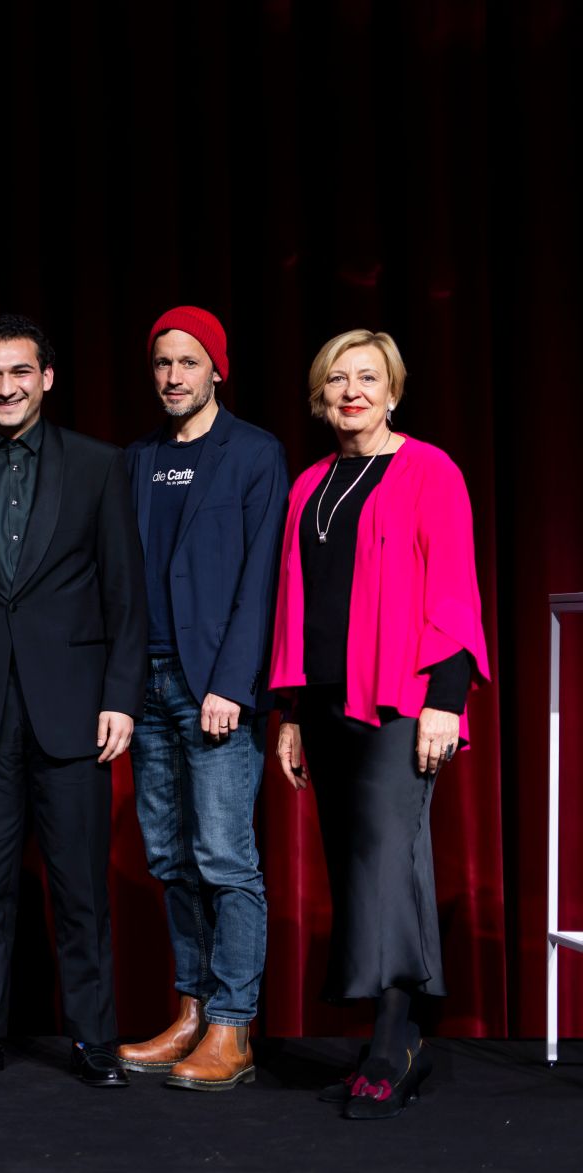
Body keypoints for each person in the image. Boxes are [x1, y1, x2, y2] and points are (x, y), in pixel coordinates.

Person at [0, 312, 146, 1089]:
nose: (5, 386)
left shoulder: (99, 465)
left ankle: (94, 1038)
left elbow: (125, 592)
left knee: (81, 888)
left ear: (46, 378)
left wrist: (121, 696)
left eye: (20, 372)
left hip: (76, 709)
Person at [270, 330, 488, 1120]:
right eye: (337, 378)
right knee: (357, 867)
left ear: (392, 390)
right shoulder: (308, 485)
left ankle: (397, 1041)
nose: (351, 390)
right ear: (320, 395)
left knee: (387, 861)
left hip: (402, 698)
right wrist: (290, 712)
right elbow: (296, 602)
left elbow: (457, 587)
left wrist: (447, 697)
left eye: (368, 377)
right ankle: (387, 1037)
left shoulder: (429, 469)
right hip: (325, 702)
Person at [117, 307, 288, 1090]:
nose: (174, 376)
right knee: (170, 855)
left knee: (225, 856)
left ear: (217, 368)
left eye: (188, 362)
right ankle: (190, 1009)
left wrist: (233, 682)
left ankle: (233, 1025)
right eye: (162, 363)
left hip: (212, 686)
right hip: (145, 684)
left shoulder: (254, 454)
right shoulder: (139, 458)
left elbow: (262, 579)